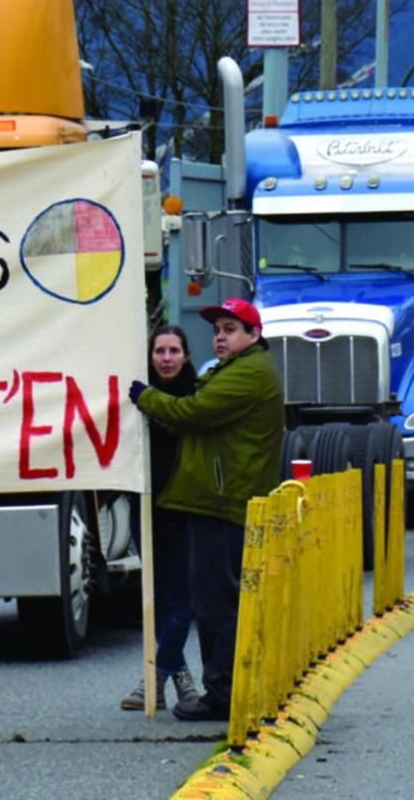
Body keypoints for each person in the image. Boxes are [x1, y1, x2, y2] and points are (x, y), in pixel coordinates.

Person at [130, 298, 283, 722]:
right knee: (213, 601)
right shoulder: (233, 370)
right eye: (217, 329)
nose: (220, 336)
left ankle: (223, 694)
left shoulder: (248, 373)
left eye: (231, 328)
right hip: (220, 498)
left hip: (225, 500)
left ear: (253, 335)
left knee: (217, 605)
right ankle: (224, 686)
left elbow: (193, 413)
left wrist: (146, 398)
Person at [120, 324, 200, 712]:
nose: (166, 359)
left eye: (174, 351)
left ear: (186, 355)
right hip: (144, 503)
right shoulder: (132, 396)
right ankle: (181, 679)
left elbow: (183, 422)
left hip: (183, 506)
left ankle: (154, 679)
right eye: (159, 352)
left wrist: (149, 401)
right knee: (155, 598)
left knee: (179, 601)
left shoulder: (198, 394)